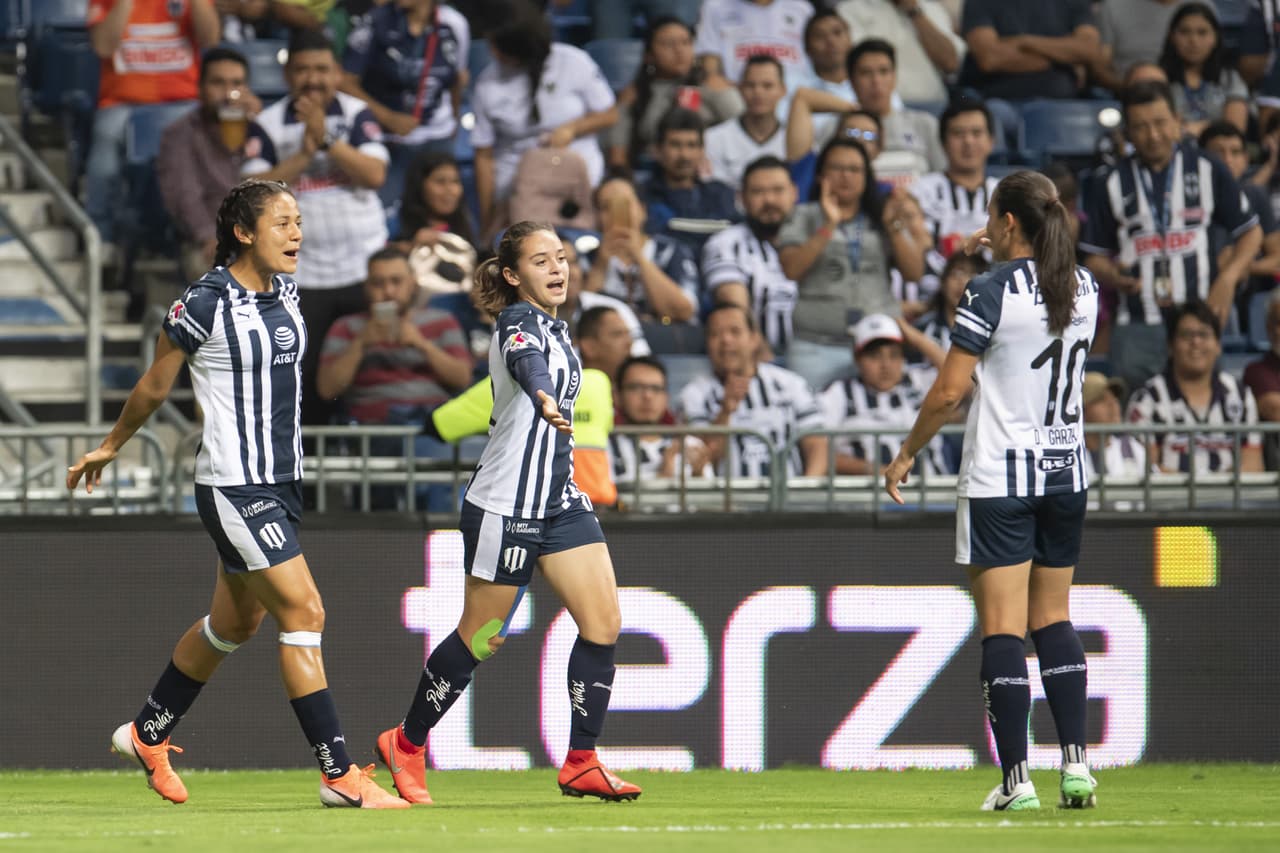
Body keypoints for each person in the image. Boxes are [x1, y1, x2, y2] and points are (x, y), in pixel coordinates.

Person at [66, 179, 408, 809]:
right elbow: (155, 383)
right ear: (244, 233)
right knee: (304, 612)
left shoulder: (287, 293)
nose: (297, 233)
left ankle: (146, 733)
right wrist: (112, 445)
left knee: (233, 624)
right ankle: (339, 775)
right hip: (233, 484)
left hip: (282, 483)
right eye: (282, 223)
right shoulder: (204, 302)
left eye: (298, 222)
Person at [374, 221, 642, 805]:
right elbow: (526, 363)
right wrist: (542, 394)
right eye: (541, 261)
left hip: (560, 499)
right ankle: (407, 742)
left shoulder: (559, 328)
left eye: (561, 257)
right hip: (506, 504)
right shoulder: (517, 321)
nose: (557, 268)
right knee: (482, 637)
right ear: (514, 276)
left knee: (603, 624)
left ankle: (581, 761)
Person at [883, 171, 1101, 812]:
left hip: (1002, 477)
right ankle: (1077, 768)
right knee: (1054, 619)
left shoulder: (989, 289)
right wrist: (1000, 254)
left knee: (1004, 630)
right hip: (1066, 473)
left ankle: (1016, 782)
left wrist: (906, 453)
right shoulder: (1085, 286)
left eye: (990, 216)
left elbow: (949, 391)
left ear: (1007, 222)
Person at [241, 29, 391, 427]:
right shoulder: (267, 123)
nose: (313, 79)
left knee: (371, 368)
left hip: (362, 266)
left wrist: (325, 138)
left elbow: (374, 175)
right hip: (301, 276)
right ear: (288, 74)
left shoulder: (357, 113)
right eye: (303, 70)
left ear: (337, 72)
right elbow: (253, 194)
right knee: (302, 381)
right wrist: (305, 153)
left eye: (322, 69)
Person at [1080, 81, 1261, 393]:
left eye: (1160, 123)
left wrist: (1228, 279)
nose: (1153, 135)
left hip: (1198, 321)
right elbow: (1093, 258)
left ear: (1178, 121)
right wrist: (1113, 275)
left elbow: (1251, 233)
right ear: (1127, 133)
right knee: (1135, 414)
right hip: (1136, 325)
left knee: (1199, 410)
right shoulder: (1108, 181)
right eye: (1141, 127)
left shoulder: (1208, 168)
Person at [315, 247, 473, 510]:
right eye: (378, 283)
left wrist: (422, 344)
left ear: (412, 283)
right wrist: (361, 343)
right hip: (373, 428)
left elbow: (462, 378)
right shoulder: (347, 327)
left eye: (396, 282)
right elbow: (326, 388)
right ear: (367, 288)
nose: (388, 291)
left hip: (431, 423)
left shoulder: (441, 321)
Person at [778, 137, 927, 390]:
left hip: (878, 348)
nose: (845, 176)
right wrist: (828, 225)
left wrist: (893, 226)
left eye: (855, 169)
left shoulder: (881, 217)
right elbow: (791, 269)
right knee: (809, 414)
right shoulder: (802, 215)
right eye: (837, 168)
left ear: (867, 177)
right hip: (816, 347)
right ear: (820, 175)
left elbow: (914, 273)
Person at [471, 2, 618, 236]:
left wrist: (573, 128)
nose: (492, 53)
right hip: (518, 189)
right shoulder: (487, 84)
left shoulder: (573, 61)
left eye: (497, 45)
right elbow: (484, 156)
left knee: (619, 196)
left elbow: (609, 113)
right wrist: (488, 218)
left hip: (581, 182)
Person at [85, 0, 222, 250]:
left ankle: (206, 233)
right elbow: (103, 47)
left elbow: (210, 39)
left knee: (206, 149)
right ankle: (100, 237)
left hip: (182, 101)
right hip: (122, 103)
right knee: (106, 145)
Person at [340, 0, 471, 214]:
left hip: (438, 135)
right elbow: (345, 81)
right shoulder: (375, 20)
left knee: (442, 215)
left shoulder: (454, 24)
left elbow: (458, 78)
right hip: (388, 140)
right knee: (385, 214)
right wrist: (387, 117)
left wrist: (455, 120)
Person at [678, 303, 829, 477]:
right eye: (715, 334)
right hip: (725, 494)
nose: (726, 340)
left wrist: (805, 486)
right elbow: (701, 462)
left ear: (754, 338)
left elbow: (817, 444)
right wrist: (725, 412)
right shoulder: (693, 395)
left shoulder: (790, 384)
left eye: (735, 331)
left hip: (786, 492)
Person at [157, 46, 264, 280]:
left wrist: (259, 125)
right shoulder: (180, 133)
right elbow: (184, 196)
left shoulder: (258, 128)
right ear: (200, 88)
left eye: (237, 84)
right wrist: (209, 236)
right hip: (212, 234)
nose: (228, 94)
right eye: (218, 83)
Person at [1126, 301, 1264, 473]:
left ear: (1218, 345)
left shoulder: (1240, 395)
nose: (1196, 342)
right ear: (1170, 346)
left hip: (1229, 492)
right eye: (1186, 335)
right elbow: (1147, 470)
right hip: (1171, 493)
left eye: (1204, 334)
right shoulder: (1146, 399)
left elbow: (1253, 465)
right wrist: (1200, 485)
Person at [605, 16, 745, 171]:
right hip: (652, 174)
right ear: (649, 55)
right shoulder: (634, 94)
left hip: (712, 170)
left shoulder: (713, 85)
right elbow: (617, 153)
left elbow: (744, 131)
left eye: (685, 42)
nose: (679, 50)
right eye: (668, 44)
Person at [819, 313, 949, 475]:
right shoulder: (838, 393)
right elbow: (817, 451)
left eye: (894, 355)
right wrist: (872, 471)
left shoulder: (918, 381)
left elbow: (963, 379)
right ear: (857, 359)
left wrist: (915, 337)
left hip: (931, 488)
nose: (885, 365)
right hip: (868, 488)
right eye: (874, 356)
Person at [702, 155, 800, 359]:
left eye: (778, 190)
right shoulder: (725, 243)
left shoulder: (815, 240)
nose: (769, 200)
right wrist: (765, 363)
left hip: (817, 355)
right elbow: (735, 308)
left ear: (794, 193)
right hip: (756, 358)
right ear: (741, 198)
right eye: (758, 192)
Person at [586, 173, 701, 325]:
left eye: (624, 204)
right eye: (606, 207)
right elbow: (580, 315)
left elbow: (683, 311)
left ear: (642, 210)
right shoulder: (588, 256)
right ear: (597, 217)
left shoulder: (671, 251)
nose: (615, 213)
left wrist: (639, 258)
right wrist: (600, 265)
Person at [641, 108, 742, 254]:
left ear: (702, 151)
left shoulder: (721, 195)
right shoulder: (642, 196)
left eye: (691, 145)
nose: (684, 155)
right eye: (675, 145)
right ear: (658, 150)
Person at [909, 98, 999, 260]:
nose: (968, 142)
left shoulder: (1004, 192)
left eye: (976, 133)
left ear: (991, 141)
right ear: (943, 142)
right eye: (958, 133)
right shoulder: (920, 192)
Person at [959, 0, 1101, 101]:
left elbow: (1089, 50)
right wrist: (1062, 56)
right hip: (998, 101)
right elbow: (990, 59)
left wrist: (1024, 41)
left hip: (1065, 101)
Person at [835, 0, 965, 107]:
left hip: (933, 103)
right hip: (878, 106)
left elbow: (951, 63)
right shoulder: (850, 10)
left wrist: (914, 11)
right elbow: (852, 62)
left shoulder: (933, 9)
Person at [846, 39, 945, 179]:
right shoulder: (837, 128)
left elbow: (943, 175)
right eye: (866, 73)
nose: (876, 81)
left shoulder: (925, 124)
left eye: (884, 71)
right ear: (851, 80)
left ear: (894, 77)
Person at [610, 354, 712, 485]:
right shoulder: (604, 447)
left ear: (666, 398)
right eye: (636, 387)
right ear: (617, 396)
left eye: (656, 389)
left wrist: (697, 476)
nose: (648, 396)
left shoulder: (691, 445)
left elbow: (715, 497)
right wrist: (662, 477)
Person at [1156, 3, 1249, 136]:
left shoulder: (1230, 79)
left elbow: (1235, 130)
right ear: (1172, 36)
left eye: (1202, 32)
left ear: (1215, 37)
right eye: (1184, 32)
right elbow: (1157, 128)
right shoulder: (1158, 78)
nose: (1193, 40)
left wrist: (1188, 129)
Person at [704, 55, 788, 191]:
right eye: (750, 85)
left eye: (767, 86)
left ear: (783, 90)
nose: (758, 92)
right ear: (740, 88)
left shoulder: (794, 141)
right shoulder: (713, 139)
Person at [694, 0, 814, 86]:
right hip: (739, 95)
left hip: (797, 95)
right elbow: (711, 73)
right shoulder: (715, 6)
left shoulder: (802, 9)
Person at [1092, 0, 1197, 94]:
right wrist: (1133, 90)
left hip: (1186, 92)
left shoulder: (1199, 4)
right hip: (1124, 93)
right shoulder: (1113, 6)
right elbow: (1102, 67)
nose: (1193, 39)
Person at [393, 149, 478, 252]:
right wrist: (412, 247)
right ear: (419, 185)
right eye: (440, 181)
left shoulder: (467, 224)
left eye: (455, 181)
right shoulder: (397, 222)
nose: (450, 190)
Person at [1081, 372, 1146, 481]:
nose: (1113, 404)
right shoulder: (1071, 457)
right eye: (1102, 400)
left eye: (1114, 397)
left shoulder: (1132, 447)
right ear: (1081, 409)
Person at [1243, 290, 1280, 470]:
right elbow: (1276, 411)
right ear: (1267, 327)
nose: (1278, 331)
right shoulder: (1257, 371)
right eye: (1276, 322)